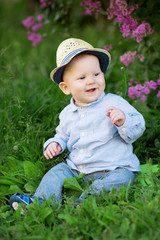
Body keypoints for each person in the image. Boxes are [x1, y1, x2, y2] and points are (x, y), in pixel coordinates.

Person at [9, 38, 145, 211]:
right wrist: (55, 143)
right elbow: (62, 135)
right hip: (77, 168)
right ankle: (40, 204)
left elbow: (139, 125)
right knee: (56, 172)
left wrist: (124, 121)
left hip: (114, 167)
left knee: (124, 178)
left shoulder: (115, 103)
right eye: (81, 77)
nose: (91, 81)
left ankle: (86, 202)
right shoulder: (67, 114)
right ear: (66, 88)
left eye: (96, 74)